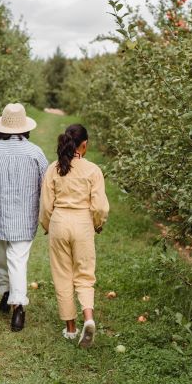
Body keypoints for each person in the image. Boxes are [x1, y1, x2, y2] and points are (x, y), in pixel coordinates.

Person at [0, 103, 49, 332]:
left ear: (1, 127)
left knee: (1, 258)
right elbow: (47, 183)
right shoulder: (35, 152)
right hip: (24, 218)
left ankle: (5, 294)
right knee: (18, 260)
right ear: (25, 128)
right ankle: (18, 308)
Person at [39, 124, 109, 348]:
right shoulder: (92, 170)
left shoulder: (54, 169)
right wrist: (97, 224)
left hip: (59, 221)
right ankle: (88, 318)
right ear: (85, 144)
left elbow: (46, 205)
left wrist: (48, 226)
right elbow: (100, 207)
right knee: (85, 274)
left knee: (63, 275)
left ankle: (70, 329)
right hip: (82, 223)